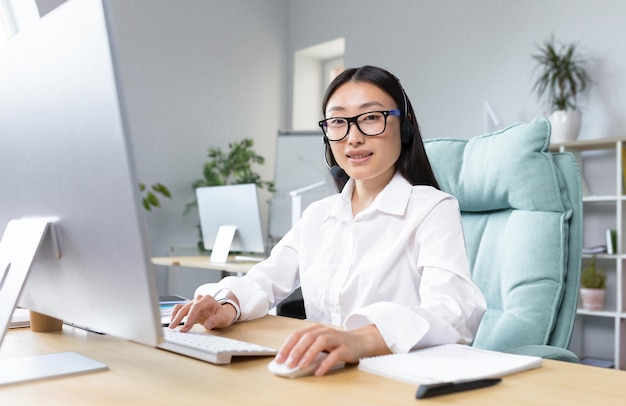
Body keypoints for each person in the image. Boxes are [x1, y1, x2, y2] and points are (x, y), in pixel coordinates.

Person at [170, 65, 486, 376]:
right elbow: (262, 281)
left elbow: (453, 311)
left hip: (396, 381)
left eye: (371, 118)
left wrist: (361, 339)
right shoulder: (319, 215)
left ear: (405, 126)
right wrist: (225, 306)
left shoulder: (432, 208)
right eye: (338, 122)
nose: (353, 137)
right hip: (324, 373)